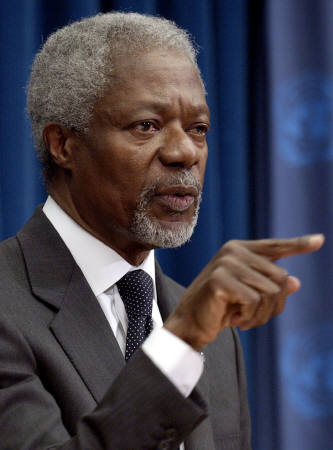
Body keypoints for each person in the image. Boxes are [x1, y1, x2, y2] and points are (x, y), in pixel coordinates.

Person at [0, 12, 324, 450]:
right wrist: (180, 341)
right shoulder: (8, 305)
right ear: (64, 145)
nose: (184, 152)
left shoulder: (216, 337)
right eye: (146, 126)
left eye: (199, 129)